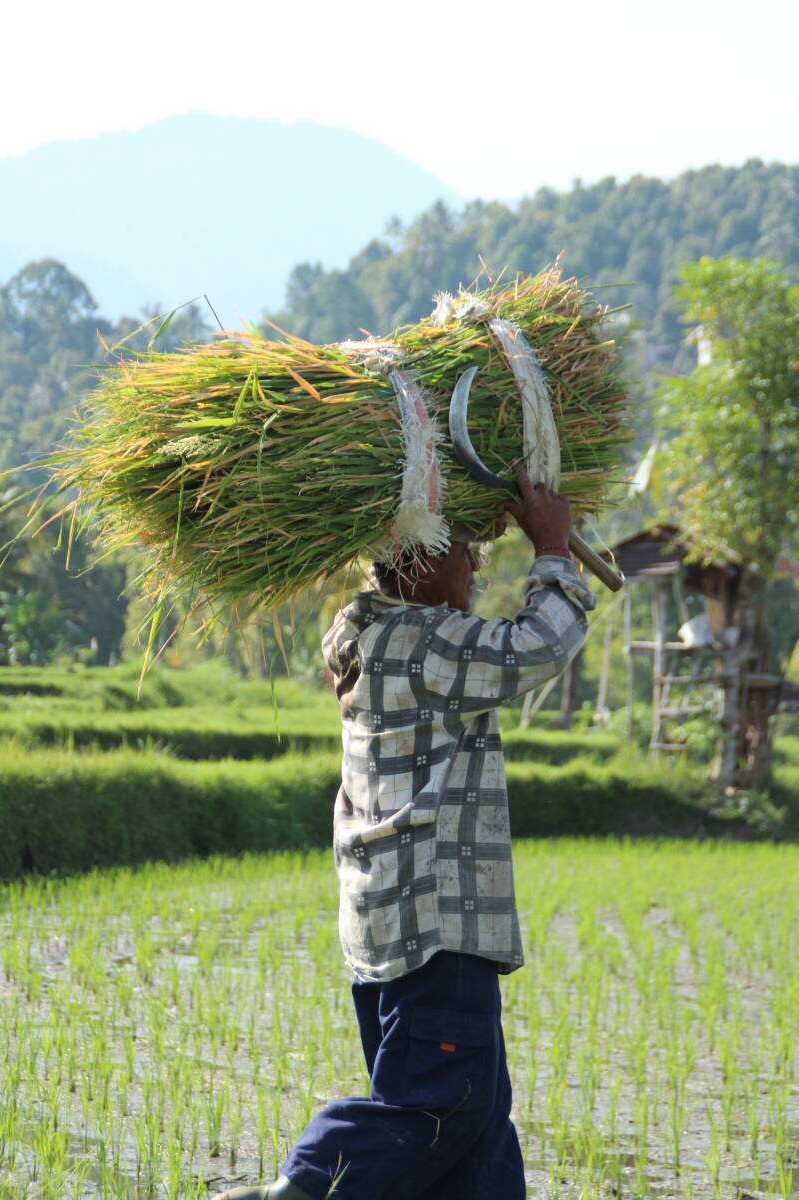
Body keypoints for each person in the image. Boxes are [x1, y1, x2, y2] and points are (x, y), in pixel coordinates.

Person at [213, 475, 595, 1200]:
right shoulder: (420, 642)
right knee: (441, 1106)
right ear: (416, 559)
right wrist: (550, 547)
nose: (478, 568)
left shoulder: (363, 634)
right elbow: (540, 645)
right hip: (435, 928)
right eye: (466, 551)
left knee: (475, 1132)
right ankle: (301, 1186)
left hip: (392, 930)